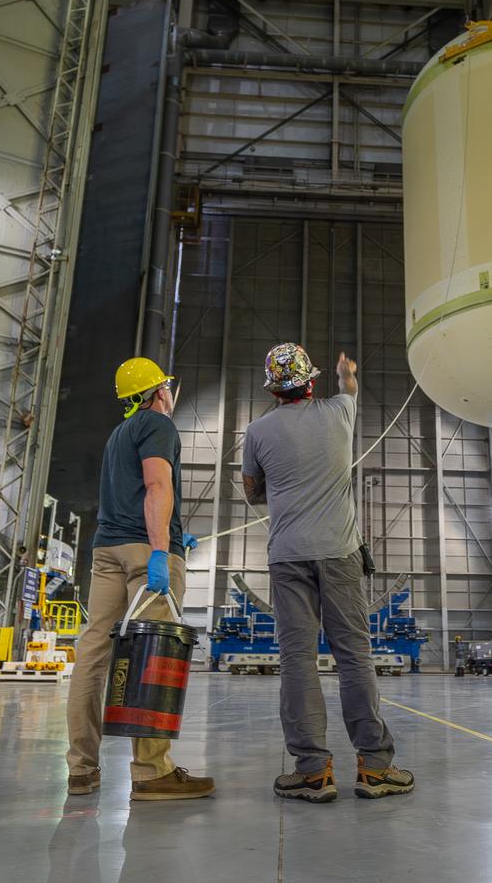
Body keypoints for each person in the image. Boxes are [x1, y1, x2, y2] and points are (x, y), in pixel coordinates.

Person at [243, 344, 413, 803]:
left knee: (297, 660)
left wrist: (280, 487)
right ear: (310, 383)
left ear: (272, 389)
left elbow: (251, 493)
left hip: (287, 555)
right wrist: (345, 374)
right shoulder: (340, 412)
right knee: (354, 656)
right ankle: (375, 768)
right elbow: (351, 389)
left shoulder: (257, 432)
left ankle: (313, 772)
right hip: (340, 554)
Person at [63, 357, 214, 802]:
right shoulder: (159, 425)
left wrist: (172, 531)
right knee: (153, 653)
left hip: (106, 551)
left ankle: (80, 769)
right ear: (158, 392)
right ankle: (151, 773)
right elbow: (156, 487)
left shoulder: (119, 433)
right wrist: (163, 548)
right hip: (144, 552)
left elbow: (129, 493)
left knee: (92, 655)